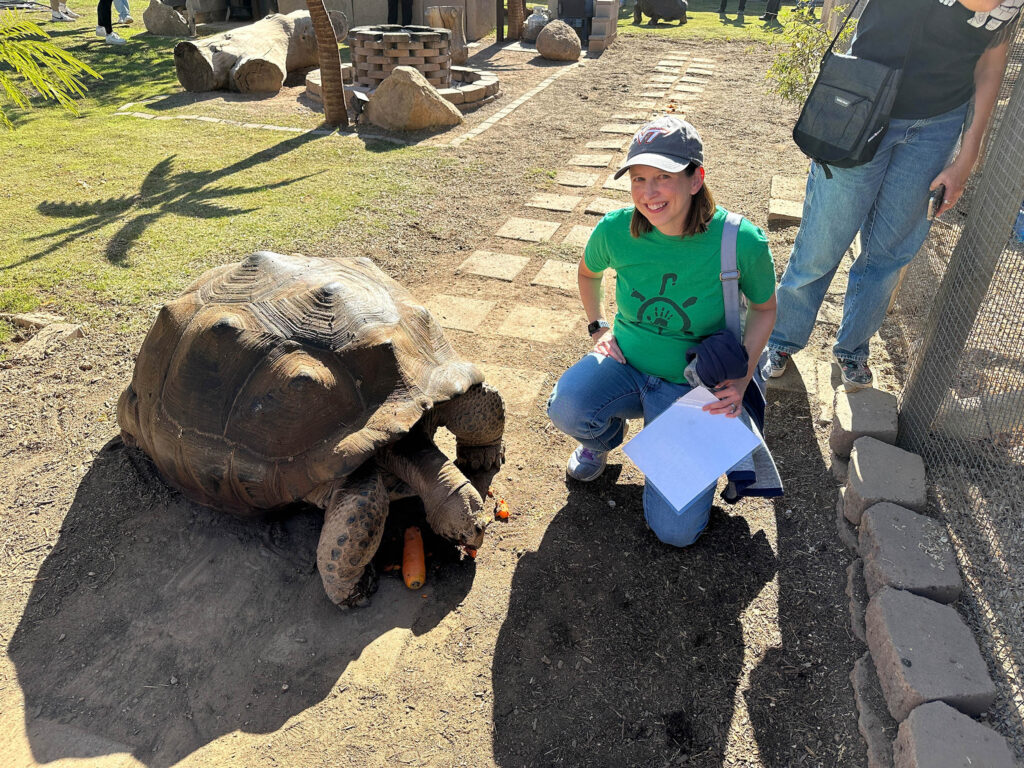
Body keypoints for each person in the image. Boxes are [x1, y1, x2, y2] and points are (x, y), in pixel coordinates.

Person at [547, 117, 780, 548]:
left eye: (662, 178)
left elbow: (766, 310)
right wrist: (598, 326)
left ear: (696, 180)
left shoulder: (740, 241)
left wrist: (744, 375)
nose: (648, 193)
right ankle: (604, 442)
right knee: (568, 405)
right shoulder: (616, 230)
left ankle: (679, 448)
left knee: (675, 533)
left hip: (692, 388)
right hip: (627, 366)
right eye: (638, 179)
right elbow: (587, 273)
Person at [765, 0, 1021, 391]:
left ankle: (853, 348)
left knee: (891, 252)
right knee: (822, 243)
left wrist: (968, 155)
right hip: (861, 104)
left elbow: (991, 61)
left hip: (938, 124)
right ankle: (782, 339)